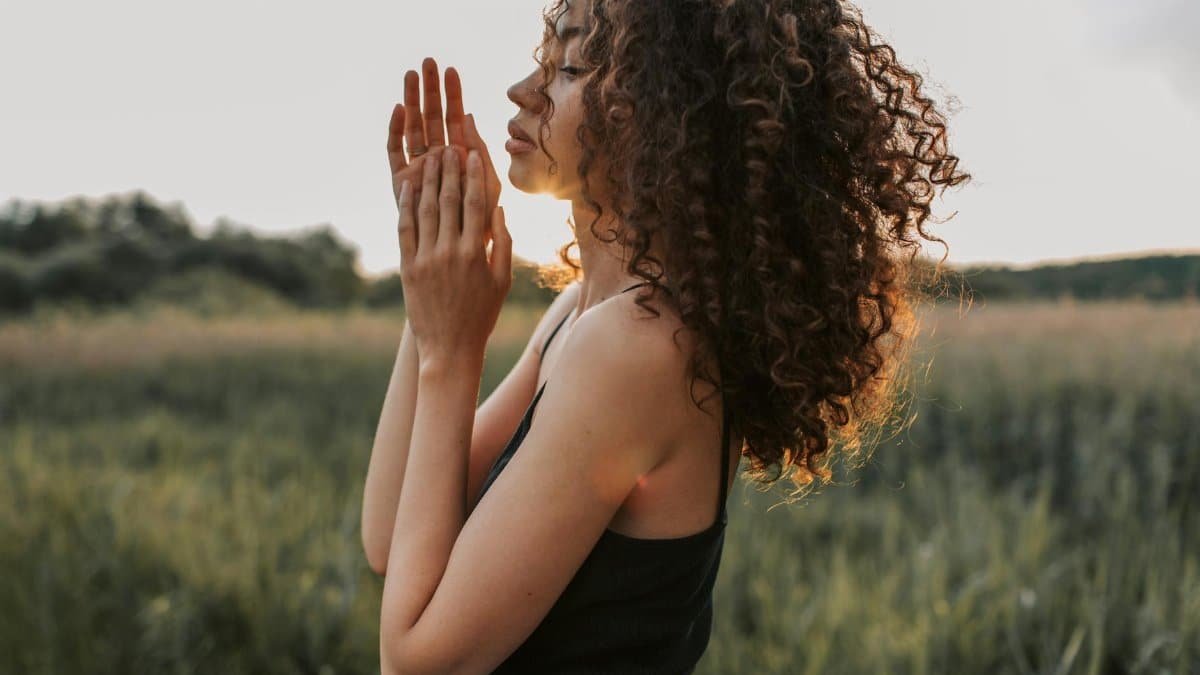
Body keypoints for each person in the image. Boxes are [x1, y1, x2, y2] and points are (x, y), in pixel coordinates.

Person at [361, 0, 971, 672]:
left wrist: (452, 351)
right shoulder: (579, 316)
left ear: (660, 108)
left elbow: (416, 662)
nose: (523, 92)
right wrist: (433, 291)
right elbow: (392, 538)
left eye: (568, 67)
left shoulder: (639, 345)